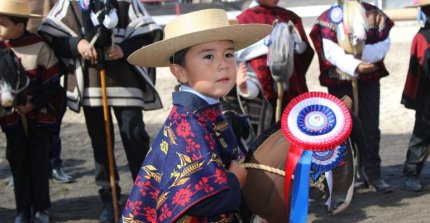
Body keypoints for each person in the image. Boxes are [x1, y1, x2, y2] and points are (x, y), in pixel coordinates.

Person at [120, 9, 271, 222]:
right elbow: (201, 200)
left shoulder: (206, 112)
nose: (223, 64)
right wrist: (235, 180)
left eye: (229, 54)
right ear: (179, 72)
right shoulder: (188, 124)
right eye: (208, 56)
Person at [37, 0, 163, 222]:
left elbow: (149, 33)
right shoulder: (71, 4)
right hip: (92, 85)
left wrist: (123, 48)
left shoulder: (126, 2)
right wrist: (78, 44)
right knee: (100, 142)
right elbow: (51, 34)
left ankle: (146, 195)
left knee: (135, 135)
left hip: (126, 81)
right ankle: (108, 197)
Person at [309, 0, 394, 193]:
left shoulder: (374, 14)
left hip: (369, 78)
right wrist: (353, 65)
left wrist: (364, 56)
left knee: (370, 126)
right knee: (342, 128)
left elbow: (385, 41)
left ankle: (373, 173)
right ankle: (347, 176)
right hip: (340, 80)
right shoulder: (327, 18)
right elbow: (328, 49)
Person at [0, 0, 65, 222]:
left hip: (38, 118)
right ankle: (22, 209)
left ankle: (41, 208)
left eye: (2, 24)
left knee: (38, 163)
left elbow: (52, 82)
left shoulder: (40, 46)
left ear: (20, 27)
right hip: (10, 119)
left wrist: (33, 104)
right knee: (18, 163)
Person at [234, 0, 314, 136]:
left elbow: (304, 55)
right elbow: (238, 60)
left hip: (292, 96)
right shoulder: (244, 20)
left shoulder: (291, 18)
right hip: (261, 98)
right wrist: (246, 87)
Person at [27, 0, 74, 184]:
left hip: (49, 56)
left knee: (51, 118)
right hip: (21, 56)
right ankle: (25, 169)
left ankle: (55, 163)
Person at [401, 1, 430, 192]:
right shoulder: (422, 37)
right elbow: (416, 71)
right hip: (427, 96)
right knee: (422, 134)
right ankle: (411, 172)